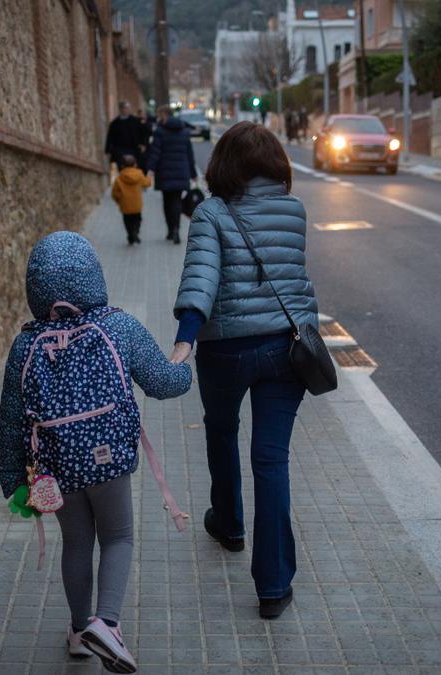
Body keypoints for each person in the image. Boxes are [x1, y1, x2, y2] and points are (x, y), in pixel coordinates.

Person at [0, 232, 191, 673]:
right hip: (109, 461)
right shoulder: (117, 327)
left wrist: (13, 481)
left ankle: (80, 629)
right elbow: (163, 382)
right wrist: (185, 365)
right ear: (93, 278)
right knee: (118, 536)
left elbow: (10, 421)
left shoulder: (25, 346)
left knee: (78, 542)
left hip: (56, 467)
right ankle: (108, 624)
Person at [168, 122, 319, 620]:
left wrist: (185, 337)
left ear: (223, 164)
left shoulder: (211, 212)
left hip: (226, 352)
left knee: (220, 431)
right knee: (271, 461)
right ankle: (273, 588)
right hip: (284, 349)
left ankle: (229, 523)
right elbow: (294, 279)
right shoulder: (294, 210)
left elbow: (202, 275)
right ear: (276, 163)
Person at [146, 105, 197, 245]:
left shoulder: (160, 131)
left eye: (159, 115)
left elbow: (155, 152)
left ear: (165, 115)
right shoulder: (184, 130)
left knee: (167, 201)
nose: (158, 117)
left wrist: (150, 169)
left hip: (164, 171)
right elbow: (189, 154)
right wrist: (193, 173)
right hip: (182, 171)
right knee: (176, 201)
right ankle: (176, 229)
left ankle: (171, 230)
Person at [110, 155, 151, 245]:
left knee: (127, 221)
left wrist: (118, 200)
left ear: (122, 166)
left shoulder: (119, 178)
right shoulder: (139, 174)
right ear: (135, 165)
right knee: (138, 219)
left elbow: (114, 193)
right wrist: (149, 177)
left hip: (125, 205)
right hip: (137, 204)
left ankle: (130, 235)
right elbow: (147, 183)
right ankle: (135, 232)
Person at [104, 101, 143, 170]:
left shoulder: (135, 121)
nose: (126, 110)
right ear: (120, 109)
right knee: (122, 169)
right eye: (125, 108)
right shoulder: (115, 123)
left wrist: (142, 144)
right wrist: (108, 150)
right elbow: (110, 137)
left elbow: (142, 132)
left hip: (133, 149)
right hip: (119, 150)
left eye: (128, 108)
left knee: (134, 169)